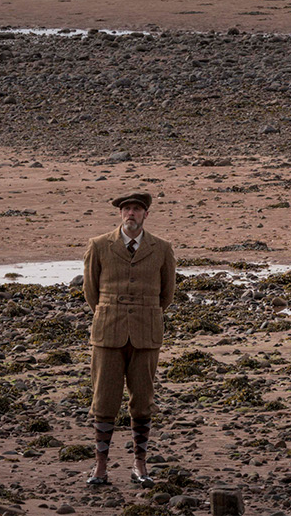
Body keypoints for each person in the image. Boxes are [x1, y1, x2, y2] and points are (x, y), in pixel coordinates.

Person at [81, 192, 177, 487]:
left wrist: (145, 314)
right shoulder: (99, 245)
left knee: (143, 401)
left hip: (146, 334)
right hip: (108, 332)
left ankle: (140, 464)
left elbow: (167, 295)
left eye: (137, 209)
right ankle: (100, 468)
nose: (131, 214)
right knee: (104, 399)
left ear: (146, 214)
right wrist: (111, 313)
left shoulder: (161, 248)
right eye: (126, 209)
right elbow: (90, 291)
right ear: (120, 214)